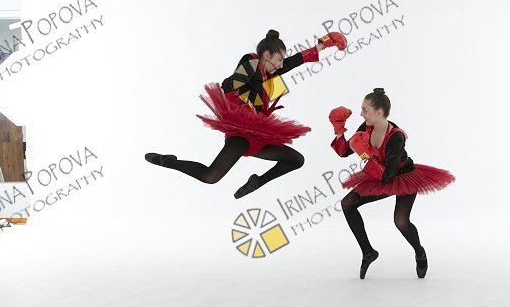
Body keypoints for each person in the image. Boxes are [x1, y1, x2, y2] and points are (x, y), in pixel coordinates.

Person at [146, 29, 346, 198]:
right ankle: (169, 161)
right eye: (278, 60)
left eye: (281, 61)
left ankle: (256, 182)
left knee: (296, 160)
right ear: (266, 55)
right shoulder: (251, 62)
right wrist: (248, 106)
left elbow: (293, 62)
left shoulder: (267, 71)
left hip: (258, 135)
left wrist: (323, 45)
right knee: (210, 177)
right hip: (241, 133)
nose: (280, 65)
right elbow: (232, 85)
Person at [329, 88, 455, 279]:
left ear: (379, 112)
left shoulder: (396, 136)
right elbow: (345, 151)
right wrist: (339, 130)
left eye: (364, 110)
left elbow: (388, 176)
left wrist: (365, 155)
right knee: (347, 204)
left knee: (401, 221)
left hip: (403, 176)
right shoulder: (366, 126)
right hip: (379, 173)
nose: (361, 114)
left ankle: (419, 252)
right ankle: (368, 252)